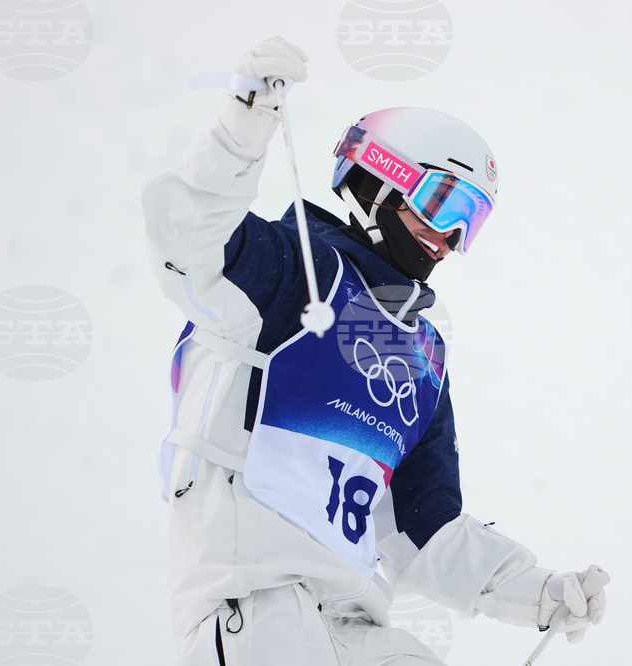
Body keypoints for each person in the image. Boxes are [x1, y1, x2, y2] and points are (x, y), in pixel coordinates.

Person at [142, 37, 607, 666]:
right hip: (255, 606)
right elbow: (189, 241)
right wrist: (242, 128)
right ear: (380, 180)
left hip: (356, 624)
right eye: (445, 203)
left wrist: (539, 592)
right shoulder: (293, 271)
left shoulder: (421, 357)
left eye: (470, 220)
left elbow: (427, 528)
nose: (449, 237)